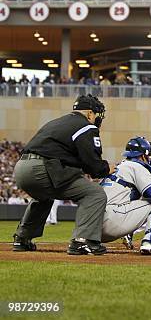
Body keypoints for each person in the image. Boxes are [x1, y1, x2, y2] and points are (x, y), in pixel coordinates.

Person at [12, 94, 114, 255]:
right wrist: (107, 168)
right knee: (94, 194)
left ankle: (22, 238)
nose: (97, 118)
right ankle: (82, 241)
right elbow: (92, 165)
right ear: (89, 113)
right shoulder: (86, 126)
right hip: (43, 168)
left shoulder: (56, 122)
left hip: (21, 168)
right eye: (96, 114)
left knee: (43, 197)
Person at [100, 136, 151, 256]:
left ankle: (87, 241)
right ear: (143, 155)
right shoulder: (137, 166)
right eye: (149, 157)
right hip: (112, 221)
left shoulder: (122, 166)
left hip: (94, 228)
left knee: (135, 199)